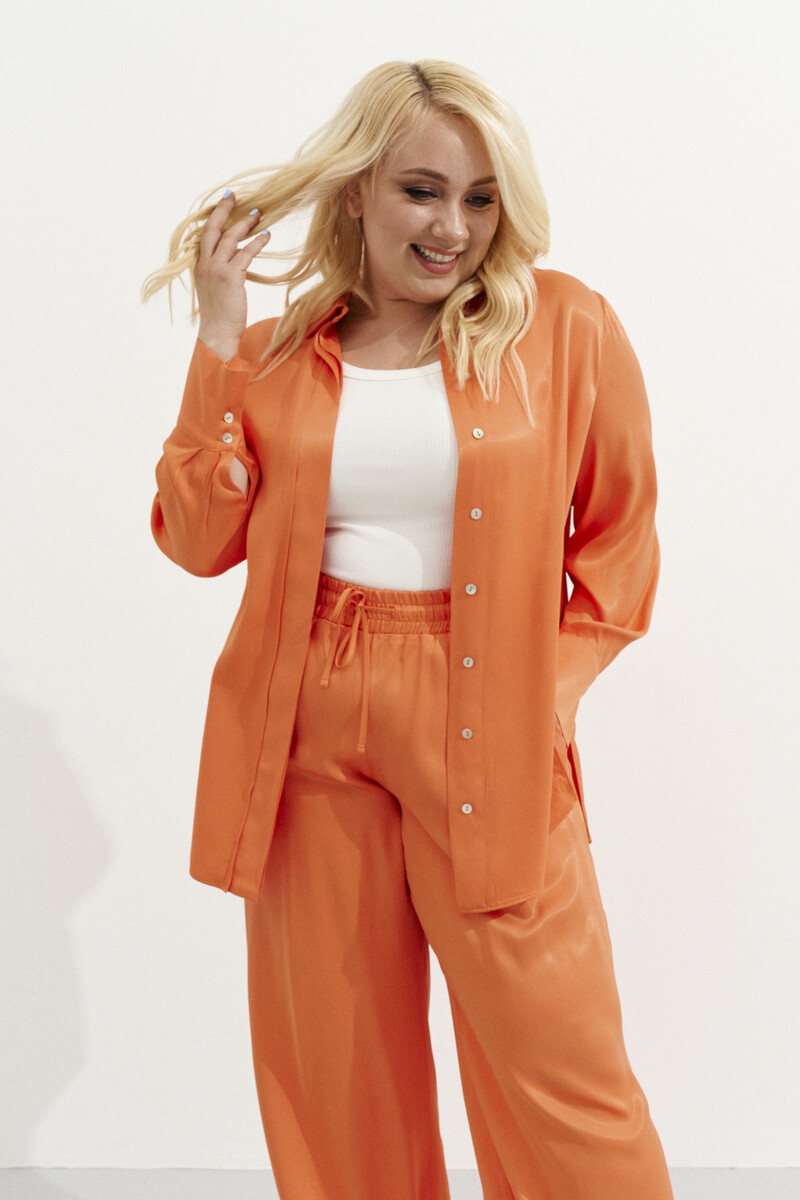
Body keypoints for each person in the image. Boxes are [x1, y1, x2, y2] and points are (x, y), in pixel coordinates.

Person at [145, 59, 674, 1200]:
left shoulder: (564, 328)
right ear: (357, 192)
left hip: (489, 710)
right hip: (305, 720)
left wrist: (544, 695)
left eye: (479, 198)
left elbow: (619, 547)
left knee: (561, 1072)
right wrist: (220, 338)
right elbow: (195, 538)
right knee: (337, 1082)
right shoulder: (276, 354)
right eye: (421, 192)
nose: (452, 228)